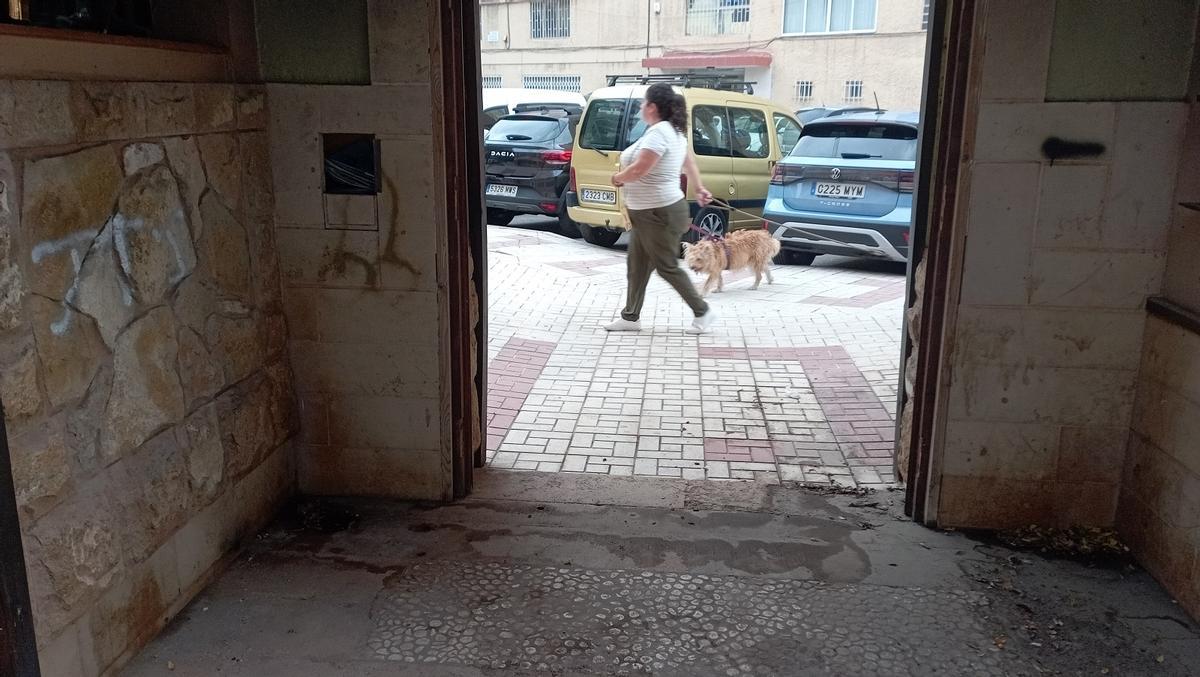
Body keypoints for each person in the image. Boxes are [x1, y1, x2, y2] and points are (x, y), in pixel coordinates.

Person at [605, 83, 718, 335]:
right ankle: (631, 317)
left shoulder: (660, 133)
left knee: (666, 265)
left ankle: (702, 311)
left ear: (653, 107)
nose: (641, 108)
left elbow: (640, 169)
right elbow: (688, 163)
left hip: (659, 213)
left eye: (644, 103)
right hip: (650, 213)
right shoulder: (671, 132)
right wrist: (699, 188)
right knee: (637, 265)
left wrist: (617, 178)